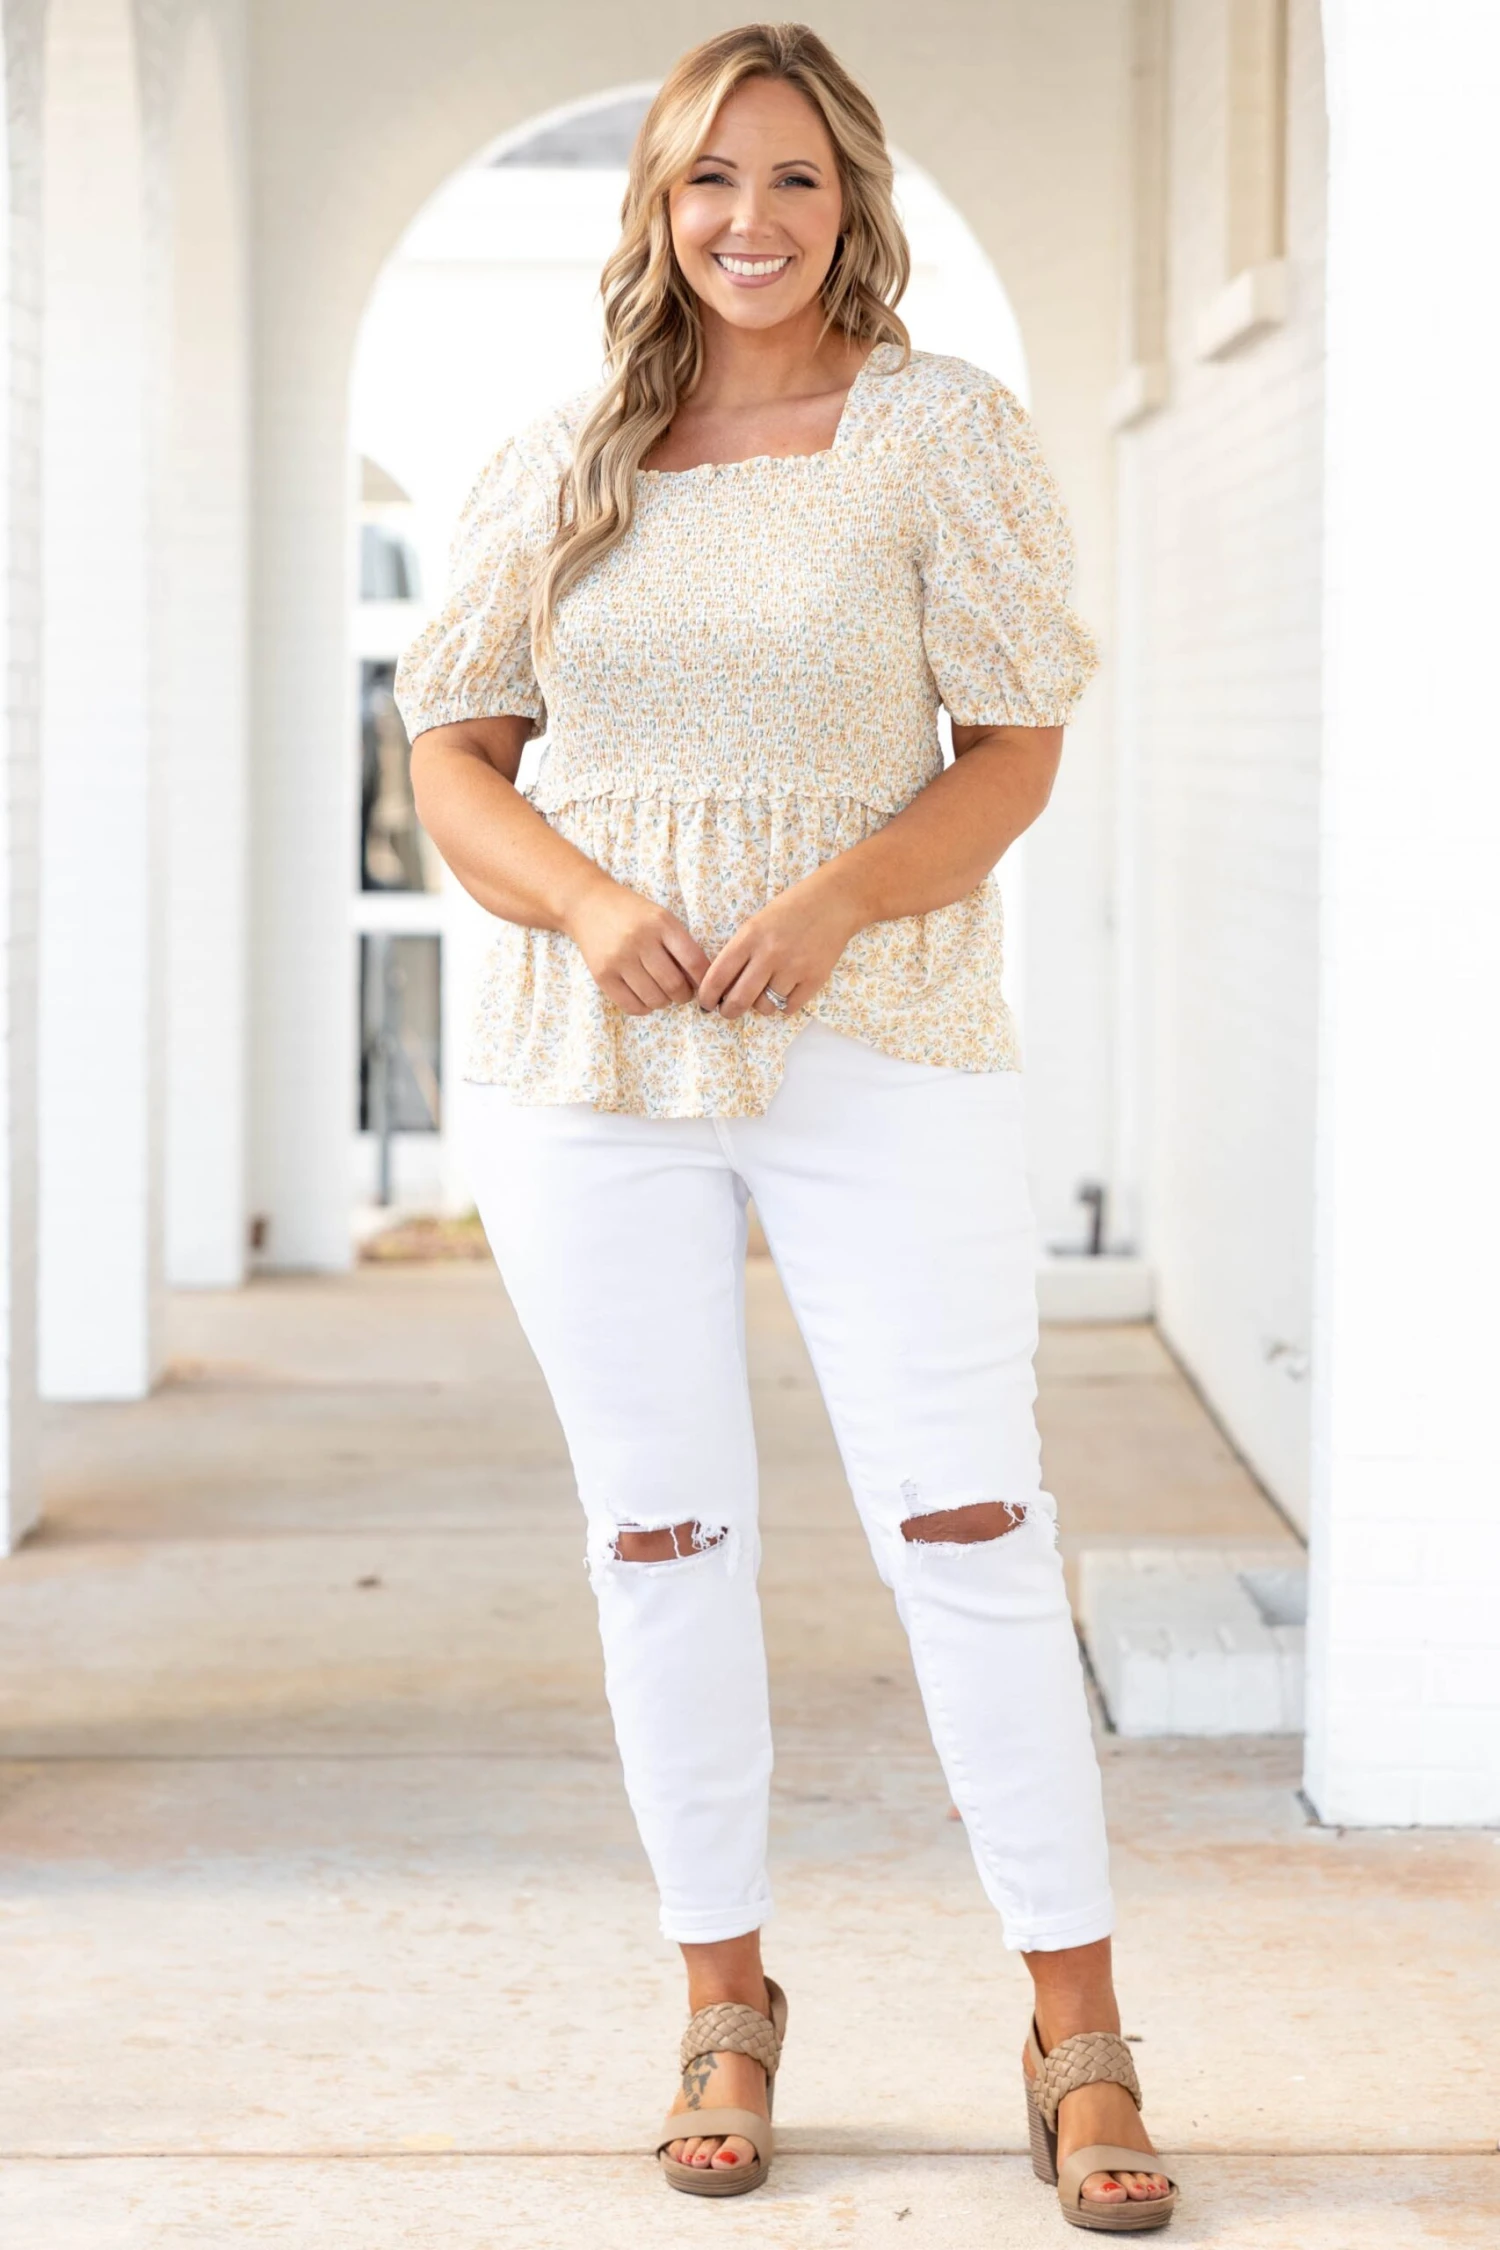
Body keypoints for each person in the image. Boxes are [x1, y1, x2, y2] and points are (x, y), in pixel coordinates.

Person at [396, 21, 1177, 2233]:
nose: (752, 219)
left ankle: (1080, 2031)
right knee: (659, 1536)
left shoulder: (940, 431)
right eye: (711, 178)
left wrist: (836, 899)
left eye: (797, 178)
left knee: (969, 1522)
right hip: (592, 1067)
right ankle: (722, 2005)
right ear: (659, 207)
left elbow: (1013, 747)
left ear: (855, 205)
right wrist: (590, 902)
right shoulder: (563, 459)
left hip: (881, 1036)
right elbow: (451, 750)